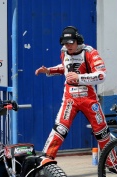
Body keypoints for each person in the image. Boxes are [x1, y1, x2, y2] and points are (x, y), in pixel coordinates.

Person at [35, 26, 110, 159]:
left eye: (71, 43)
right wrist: (48, 71)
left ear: (78, 40)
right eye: (65, 43)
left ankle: (112, 163)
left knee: (101, 131)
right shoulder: (64, 52)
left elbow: (101, 75)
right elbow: (65, 68)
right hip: (70, 97)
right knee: (60, 128)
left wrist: (79, 77)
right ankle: (44, 161)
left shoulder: (90, 52)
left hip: (88, 97)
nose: (68, 46)